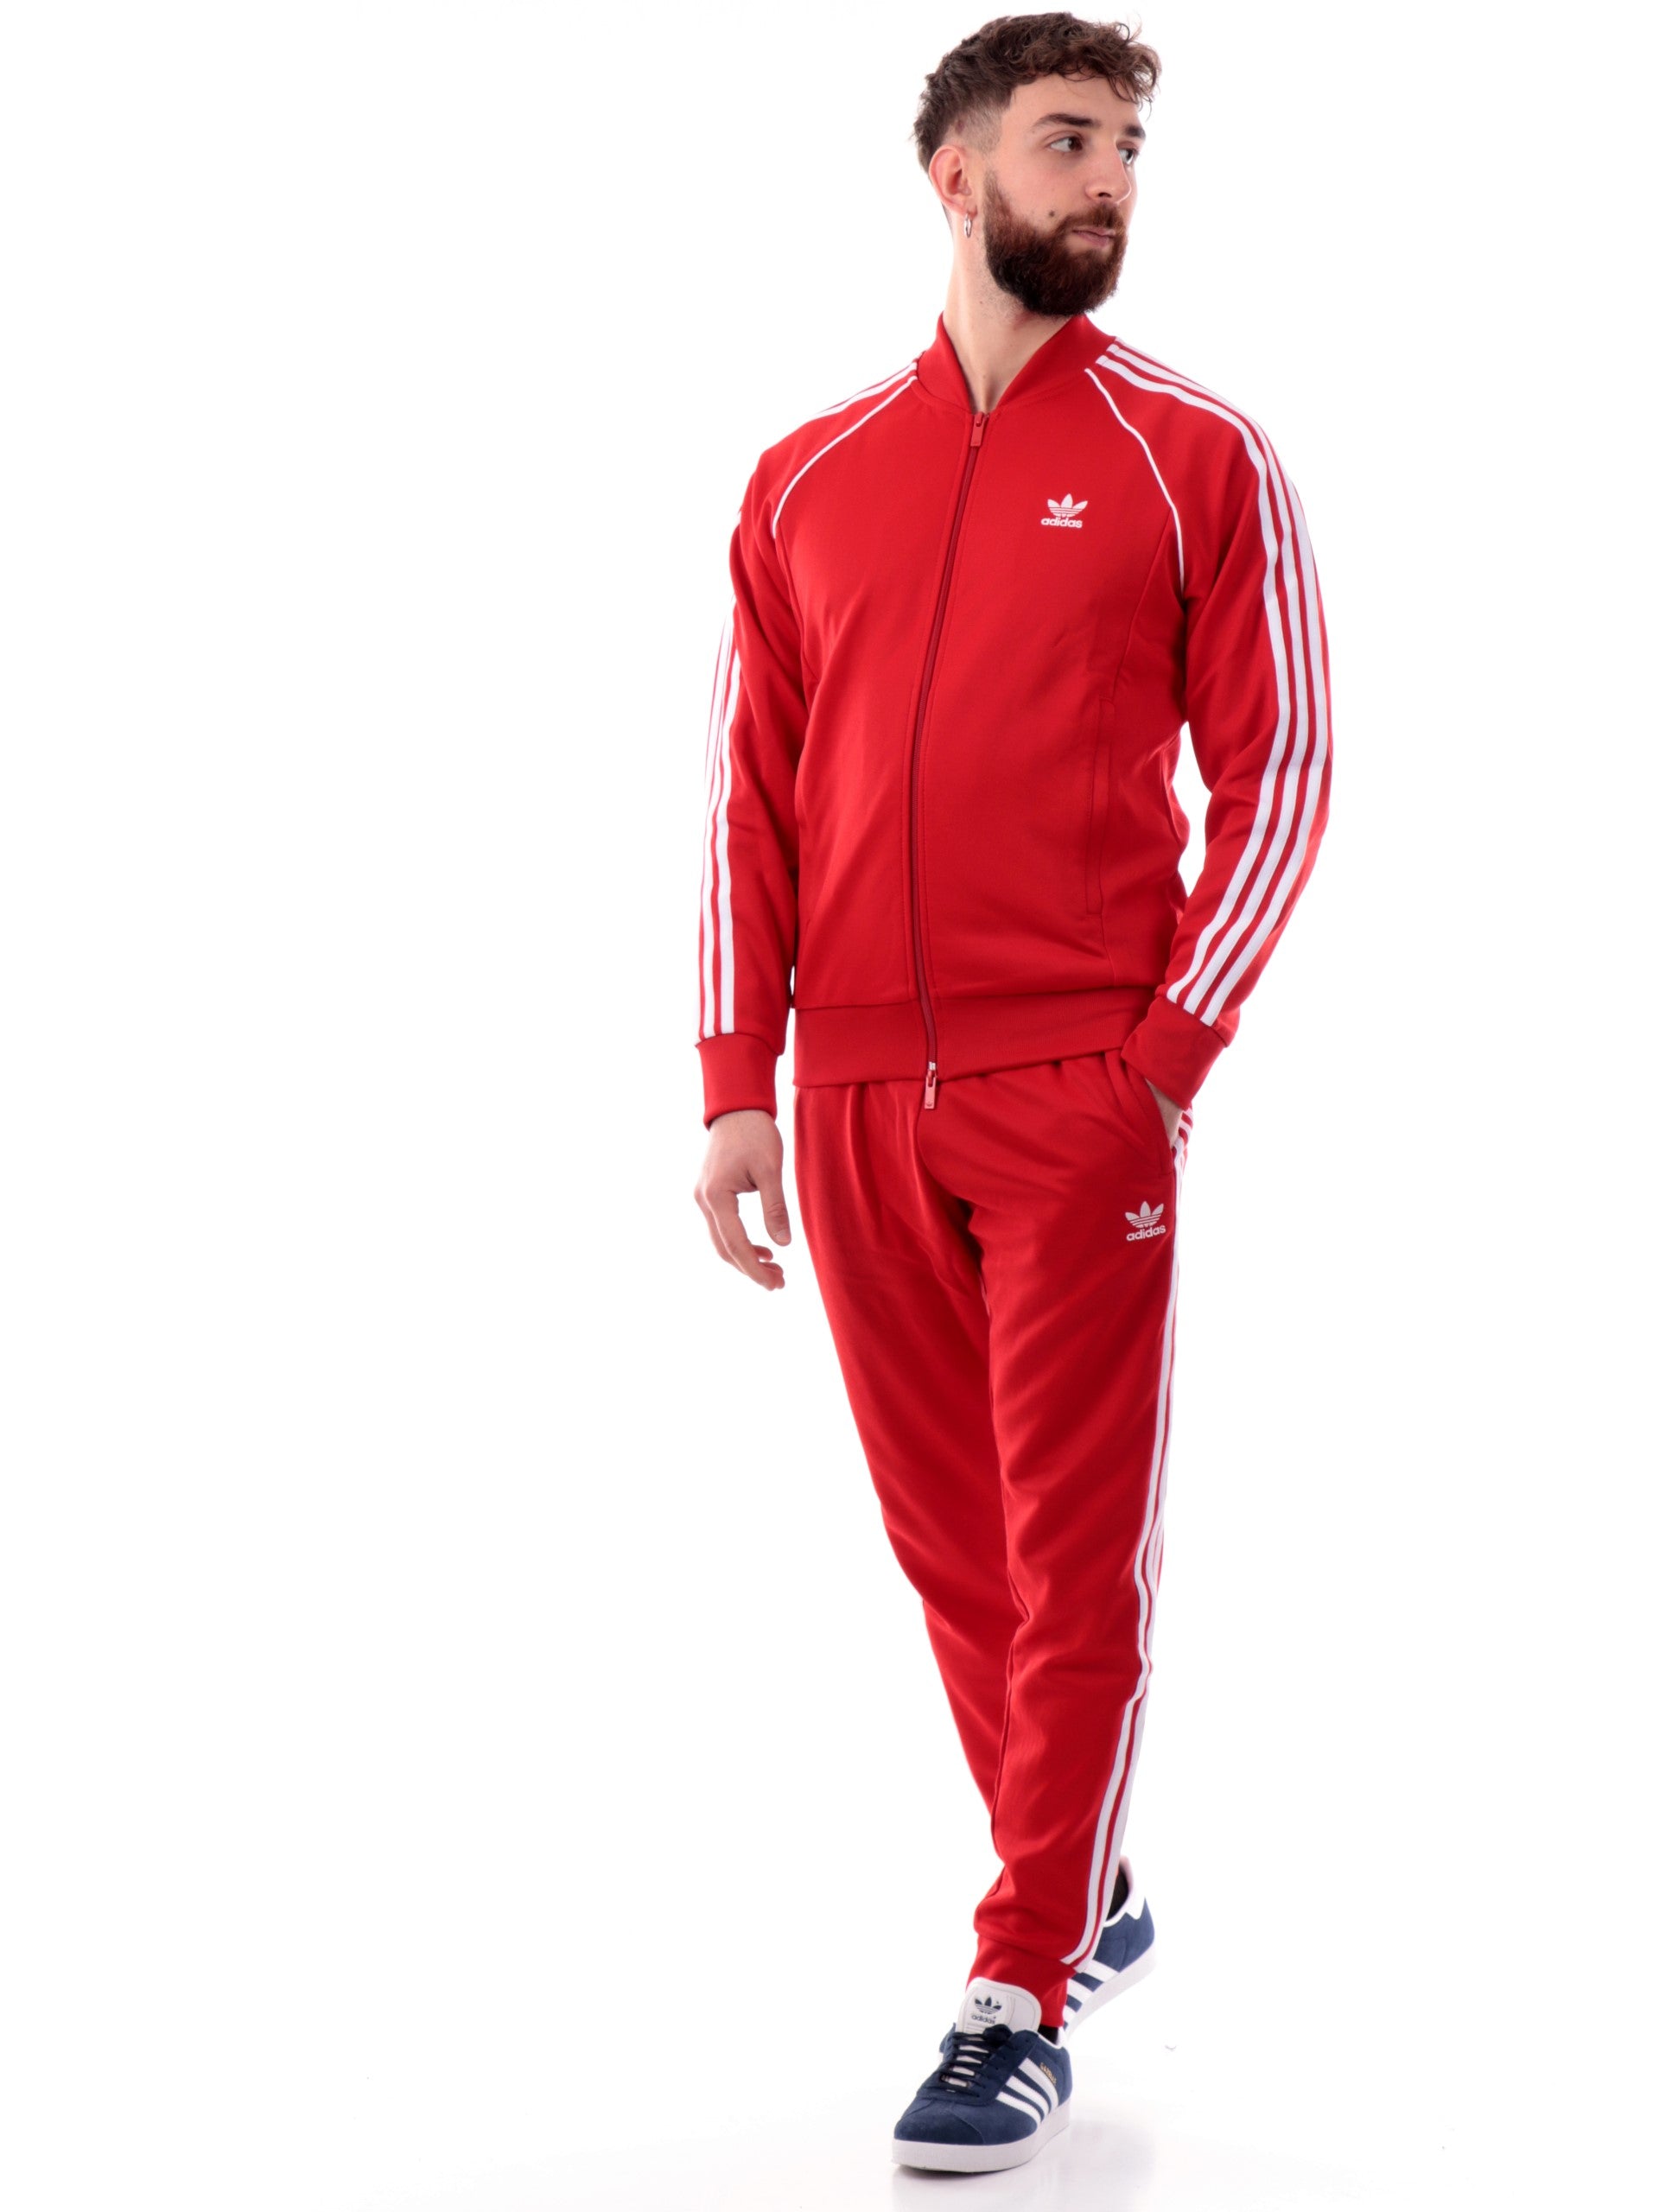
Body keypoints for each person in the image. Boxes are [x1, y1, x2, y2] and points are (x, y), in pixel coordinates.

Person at [692, 11, 1332, 2177]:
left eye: (1130, 146)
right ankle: (1089, 1881)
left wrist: (1164, 1058)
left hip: (1079, 1087)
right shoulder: (804, 478)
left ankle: (1018, 1980)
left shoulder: (1192, 451)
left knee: (1076, 1552)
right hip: (855, 1093)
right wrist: (738, 1074)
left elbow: (1284, 770)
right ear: (953, 175)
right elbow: (749, 794)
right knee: (950, 1542)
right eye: (1069, 141)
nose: (1112, 181)